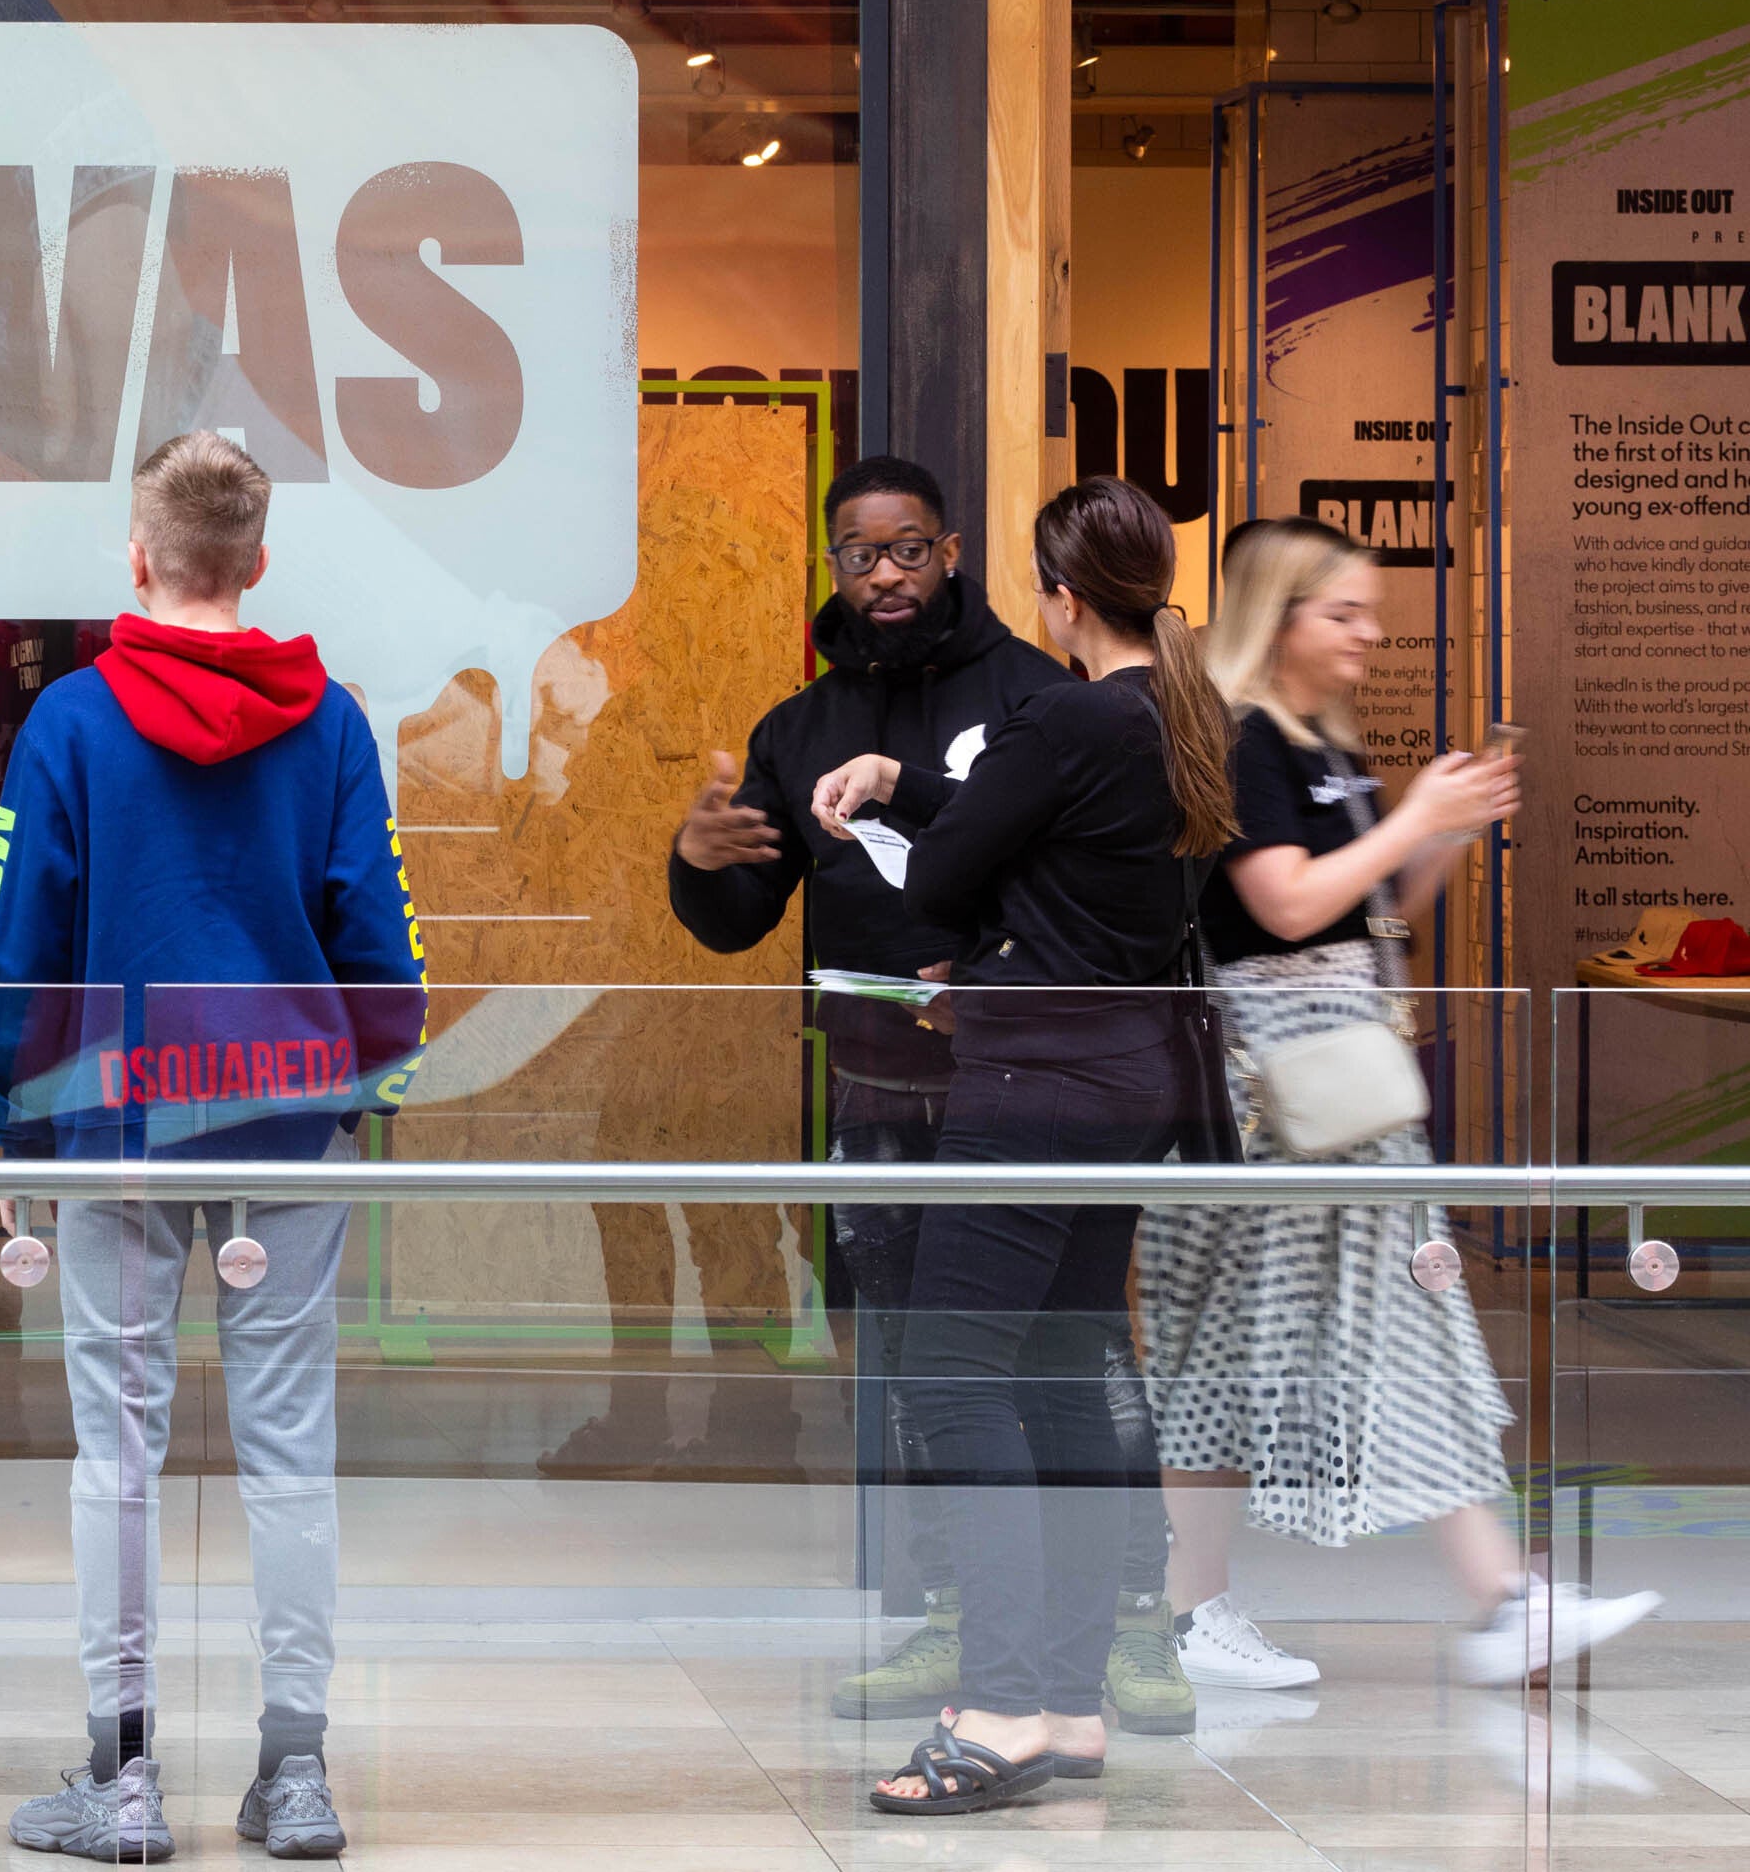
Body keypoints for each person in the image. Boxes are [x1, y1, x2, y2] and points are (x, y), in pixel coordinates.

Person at [664, 455, 1190, 1730]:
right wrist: (695, 860)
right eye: (859, 552)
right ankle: (966, 1621)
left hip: (1028, 1081)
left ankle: (1123, 1629)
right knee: (921, 1363)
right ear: (832, 566)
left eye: (907, 549)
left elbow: (1061, 870)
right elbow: (742, 920)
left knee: (1069, 1360)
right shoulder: (798, 729)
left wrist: (929, 837)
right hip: (883, 1091)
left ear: (953, 553)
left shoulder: (1045, 695)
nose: (884, 573)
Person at [0, 431, 430, 1864]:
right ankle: (295, 1776)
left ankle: (119, 1778)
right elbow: (380, 943)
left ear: (139, 556)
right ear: (258, 561)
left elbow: (18, 944)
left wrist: (3, 1105)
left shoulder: (69, 726)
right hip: (288, 1113)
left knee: (117, 1448)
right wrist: (362, 1079)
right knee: (292, 1449)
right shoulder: (334, 723)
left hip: (113, 1119)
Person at [1144, 517, 1656, 1689]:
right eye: (1343, 613)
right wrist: (1416, 822)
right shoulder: (1240, 740)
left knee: (1333, 1331)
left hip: (1340, 1084)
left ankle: (1219, 1607)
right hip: (1281, 1089)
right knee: (1293, 1337)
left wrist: (1442, 828)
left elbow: (1367, 910)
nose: (1371, 635)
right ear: (1276, 617)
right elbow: (1279, 904)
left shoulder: (1317, 742)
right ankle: (1486, 1598)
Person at [810, 477, 1224, 1817]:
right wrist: (916, 782)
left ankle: (994, 1711)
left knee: (951, 1372)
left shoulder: (1067, 712)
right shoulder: (1168, 716)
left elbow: (939, 879)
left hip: (1032, 1079)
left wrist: (908, 816)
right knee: (1060, 1378)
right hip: (1127, 1085)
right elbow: (1031, 836)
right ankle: (1069, 1706)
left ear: (1056, 592)